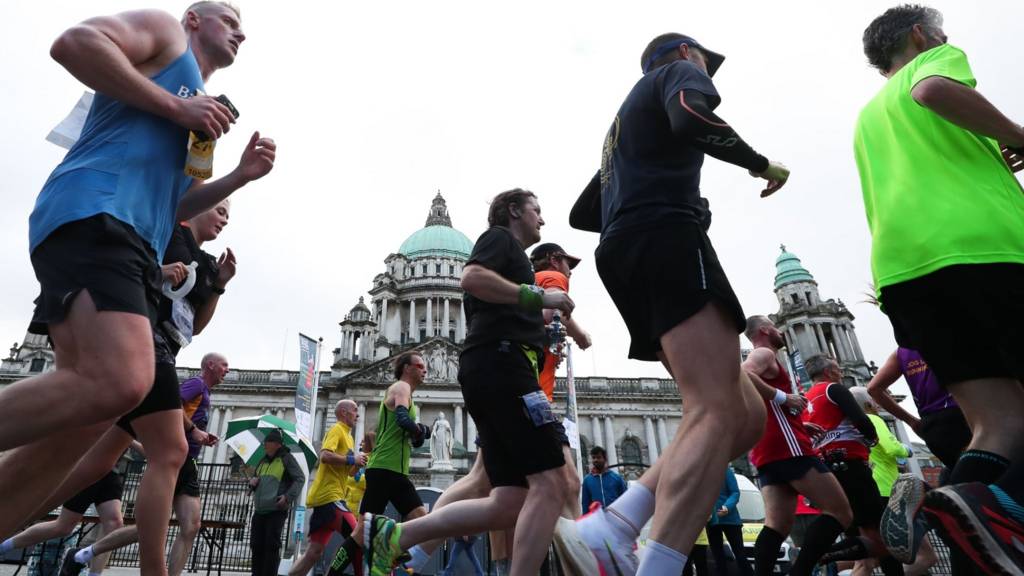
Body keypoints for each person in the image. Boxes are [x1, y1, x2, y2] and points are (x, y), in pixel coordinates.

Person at [0, 1, 274, 545]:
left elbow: (176, 203)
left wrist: (240, 176)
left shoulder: (201, 105)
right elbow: (74, 43)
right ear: (196, 18)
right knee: (124, 380)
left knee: (90, 416)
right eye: (231, 22)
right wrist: (176, 109)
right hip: (97, 209)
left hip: (133, 239)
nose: (242, 34)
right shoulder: (165, 34)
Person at [566, 31, 787, 575]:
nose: (709, 79)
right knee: (716, 408)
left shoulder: (619, 128)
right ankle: (651, 560)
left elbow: (583, 211)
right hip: (666, 236)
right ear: (688, 55)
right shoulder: (674, 75)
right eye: (708, 67)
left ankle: (618, 520)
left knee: (742, 415)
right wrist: (761, 164)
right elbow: (691, 115)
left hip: (623, 250)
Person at [855, 5, 1024, 571]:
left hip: (905, 273)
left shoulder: (869, 114)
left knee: (1000, 422)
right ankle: (984, 507)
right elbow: (932, 90)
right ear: (921, 36)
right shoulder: (931, 61)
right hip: (982, 251)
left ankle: (940, 507)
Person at [353, 189, 576, 576]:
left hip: (490, 369)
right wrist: (538, 295)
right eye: (536, 210)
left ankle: (394, 536)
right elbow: (472, 278)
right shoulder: (499, 239)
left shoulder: (511, 263)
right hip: (505, 367)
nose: (542, 218)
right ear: (512, 212)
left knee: (508, 500)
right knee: (557, 481)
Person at [59, 352, 230, 576]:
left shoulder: (205, 392)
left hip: (189, 463)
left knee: (191, 525)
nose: (227, 370)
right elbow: (173, 405)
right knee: (151, 526)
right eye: (224, 365)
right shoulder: (196, 384)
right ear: (211, 365)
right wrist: (193, 430)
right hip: (174, 460)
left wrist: (200, 436)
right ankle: (84, 554)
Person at [742, 317, 854, 576]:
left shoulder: (769, 358)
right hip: (787, 447)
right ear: (765, 330)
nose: (780, 331)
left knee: (777, 526)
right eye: (775, 326)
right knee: (840, 512)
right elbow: (744, 373)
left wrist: (801, 425)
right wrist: (785, 397)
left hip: (768, 450)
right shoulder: (763, 353)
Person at [326, 353, 432, 575]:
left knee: (420, 519)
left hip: (394, 470)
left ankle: (387, 550)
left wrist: (418, 434)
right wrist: (420, 430)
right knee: (364, 529)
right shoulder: (402, 387)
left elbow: (402, 428)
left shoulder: (406, 392)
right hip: (384, 467)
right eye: (420, 365)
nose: (425, 370)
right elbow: (403, 420)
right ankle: (371, 558)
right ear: (406, 368)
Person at [796, 358, 902, 576]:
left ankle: (810, 560)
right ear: (828, 371)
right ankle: (809, 561)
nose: (841, 372)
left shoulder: (805, 401)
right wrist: (871, 439)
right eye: (837, 368)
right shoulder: (834, 389)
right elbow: (861, 420)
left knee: (856, 532)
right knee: (881, 533)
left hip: (827, 469)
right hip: (852, 466)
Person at [853, 388, 937, 576]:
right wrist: (906, 450)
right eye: (873, 401)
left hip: (864, 492)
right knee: (927, 556)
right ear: (868, 404)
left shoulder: (850, 424)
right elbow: (892, 448)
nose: (876, 404)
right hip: (891, 492)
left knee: (865, 563)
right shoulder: (873, 420)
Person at [288, 400, 367, 576]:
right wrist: (351, 459)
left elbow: (347, 473)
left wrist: (359, 463)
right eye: (355, 410)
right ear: (344, 413)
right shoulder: (337, 429)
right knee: (357, 540)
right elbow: (324, 456)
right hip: (331, 498)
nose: (358, 414)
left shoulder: (348, 436)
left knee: (313, 553)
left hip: (329, 500)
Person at [0, 469, 125, 576]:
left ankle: (94, 574)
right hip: (90, 469)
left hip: (111, 473)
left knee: (114, 526)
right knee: (63, 527)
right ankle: (2, 547)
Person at [866, 348, 970, 471]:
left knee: (963, 473)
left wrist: (912, 422)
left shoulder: (902, 353)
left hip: (934, 425)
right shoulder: (950, 335)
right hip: (966, 416)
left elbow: (873, 388)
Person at [249, 429, 304, 576]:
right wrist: (252, 483)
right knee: (256, 545)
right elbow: (256, 479)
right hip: (259, 510)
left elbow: (300, 478)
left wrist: (287, 497)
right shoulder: (263, 460)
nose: (264, 444)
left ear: (277, 444)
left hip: (276, 510)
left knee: (271, 546)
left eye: (268, 442)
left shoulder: (287, 458)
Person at [705, 466, 752, 576]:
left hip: (731, 519)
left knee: (740, 556)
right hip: (712, 521)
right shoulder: (703, 472)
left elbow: (735, 492)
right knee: (718, 557)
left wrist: (727, 507)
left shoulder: (725, 470)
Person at [581, 446, 628, 511]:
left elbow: (625, 499)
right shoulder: (587, 480)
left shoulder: (617, 478)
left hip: (615, 516)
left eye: (598, 457)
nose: (595, 460)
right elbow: (585, 503)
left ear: (605, 459)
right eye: (593, 458)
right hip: (597, 518)